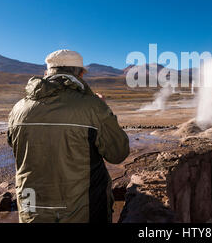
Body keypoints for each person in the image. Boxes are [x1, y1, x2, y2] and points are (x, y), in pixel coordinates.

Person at [7, 49, 129, 223]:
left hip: (31, 209)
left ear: (47, 72)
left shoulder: (18, 109)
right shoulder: (93, 107)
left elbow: (15, 146)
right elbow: (118, 153)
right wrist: (104, 111)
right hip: (83, 211)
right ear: (80, 73)